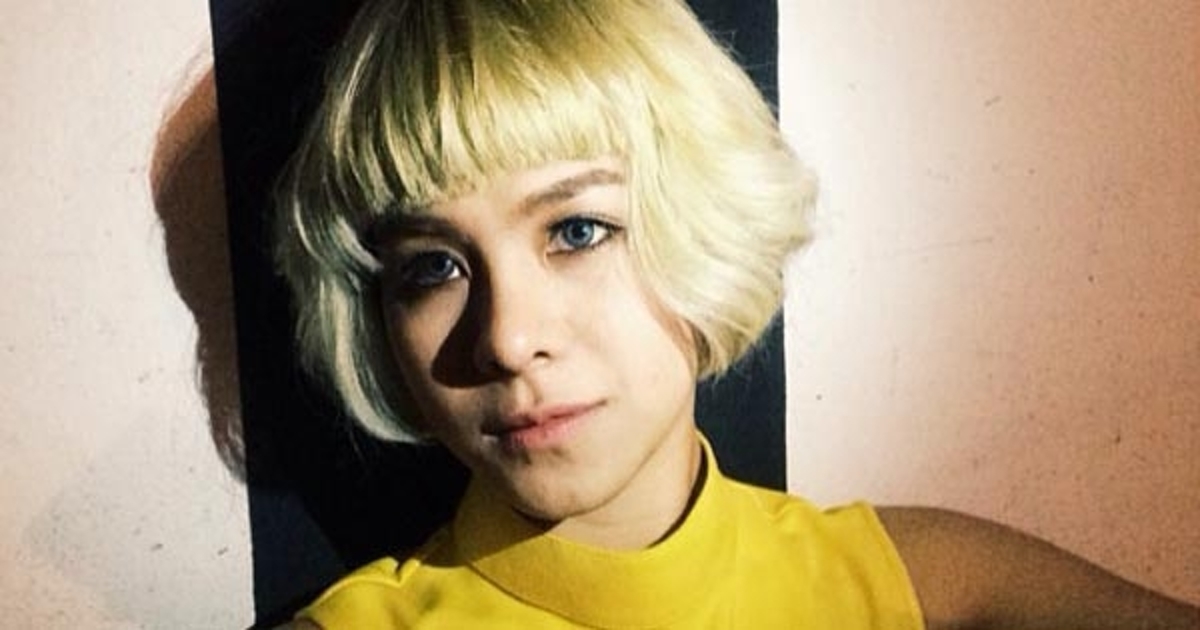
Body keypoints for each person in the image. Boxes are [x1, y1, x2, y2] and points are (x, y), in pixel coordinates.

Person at [270, 0, 1200, 627]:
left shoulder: (922, 583)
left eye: (579, 230)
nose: (509, 339)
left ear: (705, 218)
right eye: (432, 266)